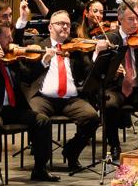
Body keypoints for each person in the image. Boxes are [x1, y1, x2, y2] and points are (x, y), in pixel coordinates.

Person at [0, 20, 55, 186]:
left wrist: (44, 62)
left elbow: (28, 76)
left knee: (42, 120)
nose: (11, 40)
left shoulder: (12, 55)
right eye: (7, 37)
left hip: (11, 108)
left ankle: (39, 168)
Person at [27, 10, 100, 173]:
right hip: (43, 97)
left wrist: (96, 53)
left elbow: (89, 71)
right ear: (50, 27)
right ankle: (40, 165)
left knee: (92, 118)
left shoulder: (75, 47)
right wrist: (44, 62)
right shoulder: (38, 44)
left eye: (67, 24)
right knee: (36, 118)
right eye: (60, 23)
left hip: (70, 99)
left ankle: (71, 151)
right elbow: (26, 73)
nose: (65, 27)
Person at [95, 4, 138, 161]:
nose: (136, 23)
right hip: (115, 88)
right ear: (120, 19)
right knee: (109, 104)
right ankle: (114, 146)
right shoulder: (110, 38)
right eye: (131, 19)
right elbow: (97, 67)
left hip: (137, 87)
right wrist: (100, 53)